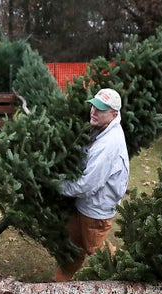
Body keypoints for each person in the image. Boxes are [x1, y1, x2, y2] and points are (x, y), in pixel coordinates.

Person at [54, 88, 130, 282]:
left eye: (101, 109)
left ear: (114, 114)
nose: (94, 112)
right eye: (94, 106)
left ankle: (131, 276)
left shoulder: (109, 145)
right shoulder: (102, 129)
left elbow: (87, 185)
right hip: (86, 205)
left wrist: (57, 185)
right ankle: (59, 286)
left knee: (97, 249)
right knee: (73, 245)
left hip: (96, 210)